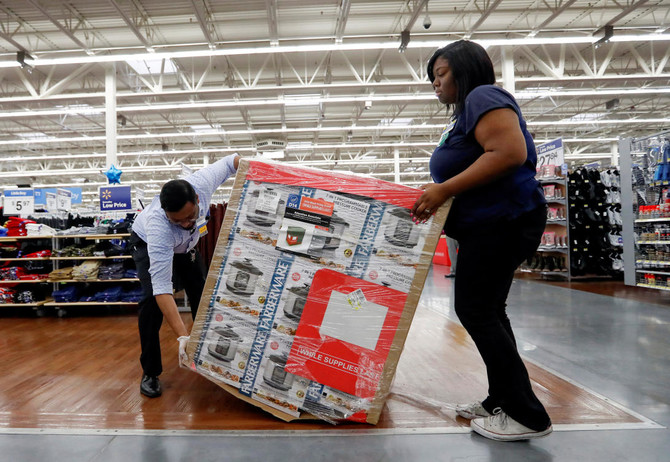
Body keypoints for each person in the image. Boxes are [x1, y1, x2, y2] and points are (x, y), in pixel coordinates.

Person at [410, 40, 552, 441]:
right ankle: (501, 400)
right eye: (432, 79)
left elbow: (508, 151)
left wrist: (443, 190)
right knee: (489, 310)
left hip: (503, 222)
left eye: (440, 75)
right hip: (491, 225)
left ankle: (528, 415)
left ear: (466, 69)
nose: (435, 84)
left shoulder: (483, 96)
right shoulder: (465, 114)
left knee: (476, 310)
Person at [129, 154, 240, 398]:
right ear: (167, 215)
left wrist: (262, 173)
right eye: (178, 221)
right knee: (150, 304)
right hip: (147, 244)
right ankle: (150, 372)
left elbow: (233, 161)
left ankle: (211, 357)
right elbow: (162, 289)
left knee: (202, 294)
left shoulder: (202, 182)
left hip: (187, 248)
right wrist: (182, 335)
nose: (187, 223)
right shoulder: (159, 228)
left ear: (198, 199)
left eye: (191, 217)